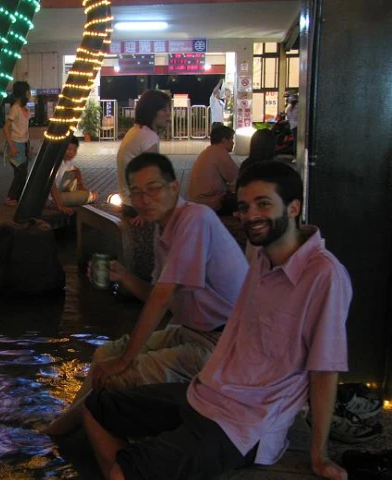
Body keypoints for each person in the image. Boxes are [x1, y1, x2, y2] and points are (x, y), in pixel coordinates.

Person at [82, 160, 352, 480]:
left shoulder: (324, 275)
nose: (251, 216)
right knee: (97, 409)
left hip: (245, 424)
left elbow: (325, 369)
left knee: (122, 477)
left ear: (293, 207)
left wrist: (319, 452)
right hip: (207, 392)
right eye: (244, 207)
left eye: (263, 204)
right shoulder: (261, 255)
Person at [44, 153, 247, 436]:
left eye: (153, 188)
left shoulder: (195, 219)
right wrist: (123, 277)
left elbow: (162, 298)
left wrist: (126, 359)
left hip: (223, 346)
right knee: (104, 355)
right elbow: (159, 297)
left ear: (174, 187)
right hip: (192, 332)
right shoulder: (163, 227)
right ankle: (69, 427)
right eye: (136, 192)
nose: (144, 199)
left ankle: (67, 432)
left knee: (120, 374)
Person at [116, 89, 171, 224]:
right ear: (152, 112)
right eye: (164, 110)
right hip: (138, 207)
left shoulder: (135, 131)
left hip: (128, 203)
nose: (169, 114)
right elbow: (150, 179)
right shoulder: (148, 137)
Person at [187, 124, 239, 215]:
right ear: (224, 140)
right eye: (231, 139)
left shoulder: (209, 151)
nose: (233, 142)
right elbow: (236, 176)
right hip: (209, 203)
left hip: (198, 200)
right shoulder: (220, 153)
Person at [49, 134, 98, 215]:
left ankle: (75, 194)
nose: (72, 153)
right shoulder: (56, 162)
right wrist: (60, 206)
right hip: (51, 198)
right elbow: (51, 184)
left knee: (72, 174)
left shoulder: (66, 160)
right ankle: (87, 196)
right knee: (88, 196)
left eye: (74, 150)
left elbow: (76, 171)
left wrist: (80, 184)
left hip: (59, 192)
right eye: (68, 149)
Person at [4, 81, 32, 206]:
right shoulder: (15, 108)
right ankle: (11, 197)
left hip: (24, 144)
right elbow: (6, 127)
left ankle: (17, 199)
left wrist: (29, 147)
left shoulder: (25, 108)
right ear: (23, 93)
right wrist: (12, 147)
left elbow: (26, 129)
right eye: (28, 92)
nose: (30, 94)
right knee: (21, 171)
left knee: (21, 172)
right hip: (15, 144)